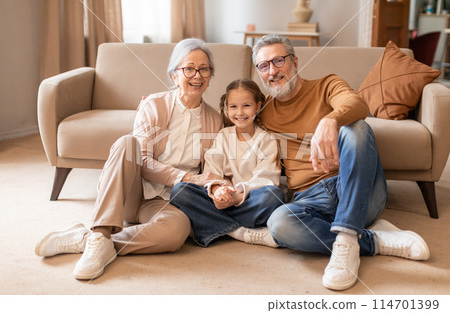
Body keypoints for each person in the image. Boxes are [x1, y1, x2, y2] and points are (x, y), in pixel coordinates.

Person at [35, 38, 224, 280]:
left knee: (177, 233)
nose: (196, 75)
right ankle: (101, 230)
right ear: (174, 74)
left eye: (204, 69)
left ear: (210, 76)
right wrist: (187, 177)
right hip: (132, 192)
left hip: (166, 202)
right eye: (188, 68)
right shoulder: (154, 105)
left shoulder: (214, 120)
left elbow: (209, 170)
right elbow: (142, 161)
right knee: (128, 143)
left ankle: (90, 240)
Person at [252, 34, 430, 291]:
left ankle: (346, 241)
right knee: (280, 223)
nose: (273, 71)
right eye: (264, 66)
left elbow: (357, 104)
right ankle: (373, 240)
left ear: (295, 61)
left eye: (278, 61)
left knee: (355, 129)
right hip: (310, 200)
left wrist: (331, 120)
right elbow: (232, 124)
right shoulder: (263, 111)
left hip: (358, 188)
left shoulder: (326, 85)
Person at [170, 78, 285, 248]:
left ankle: (212, 225)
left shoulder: (266, 140)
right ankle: (239, 232)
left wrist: (237, 196)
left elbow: (266, 179)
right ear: (226, 109)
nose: (240, 112)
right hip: (222, 201)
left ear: (258, 106)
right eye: (233, 106)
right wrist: (218, 190)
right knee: (180, 191)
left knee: (274, 196)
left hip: (248, 201)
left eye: (246, 105)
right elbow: (211, 171)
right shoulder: (223, 136)